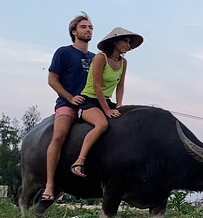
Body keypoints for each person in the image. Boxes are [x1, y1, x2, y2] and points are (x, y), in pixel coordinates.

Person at [70, 27, 144, 178]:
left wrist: (119, 104)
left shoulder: (123, 62)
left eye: (130, 42)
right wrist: (107, 110)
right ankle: (79, 161)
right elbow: (96, 86)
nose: (128, 45)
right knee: (102, 124)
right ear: (114, 41)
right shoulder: (100, 58)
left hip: (107, 101)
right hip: (90, 100)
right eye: (125, 40)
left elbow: (121, 85)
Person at [42, 12, 95, 201]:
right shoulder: (64, 52)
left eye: (90, 27)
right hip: (69, 104)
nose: (88, 30)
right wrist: (70, 98)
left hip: (91, 105)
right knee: (58, 137)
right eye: (83, 27)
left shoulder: (96, 58)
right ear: (74, 31)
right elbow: (52, 79)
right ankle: (50, 185)